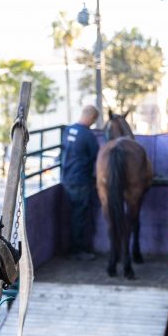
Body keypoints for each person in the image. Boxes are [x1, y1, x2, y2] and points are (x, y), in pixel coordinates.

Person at [61, 105, 100, 260]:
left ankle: (74, 248)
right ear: (92, 118)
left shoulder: (68, 131)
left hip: (67, 178)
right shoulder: (88, 136)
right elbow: (94, 157)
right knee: (80, 215)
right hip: (81, 180)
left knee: (73, 214)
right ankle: (77, 251)